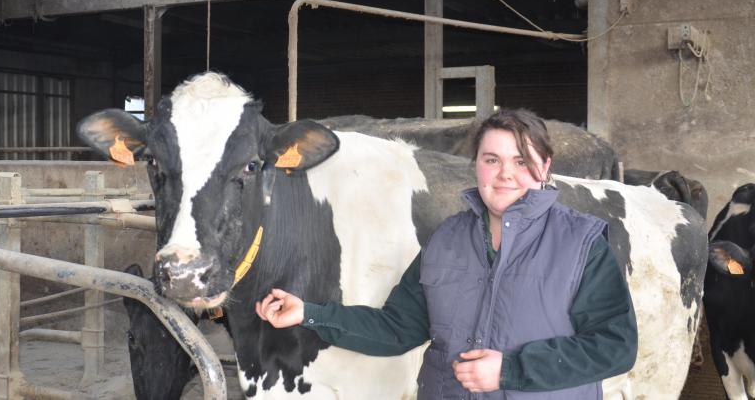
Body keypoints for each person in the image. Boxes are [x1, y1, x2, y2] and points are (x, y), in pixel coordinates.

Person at [255, 108, 637, 399]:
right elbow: (397, 329)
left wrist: (510, 370)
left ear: (545, 167)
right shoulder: (446, 239)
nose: (505, 173)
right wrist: (309, 314)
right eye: (492, 159)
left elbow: (615, 346)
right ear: (477, 166)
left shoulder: (580, 243)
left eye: (521, 160)